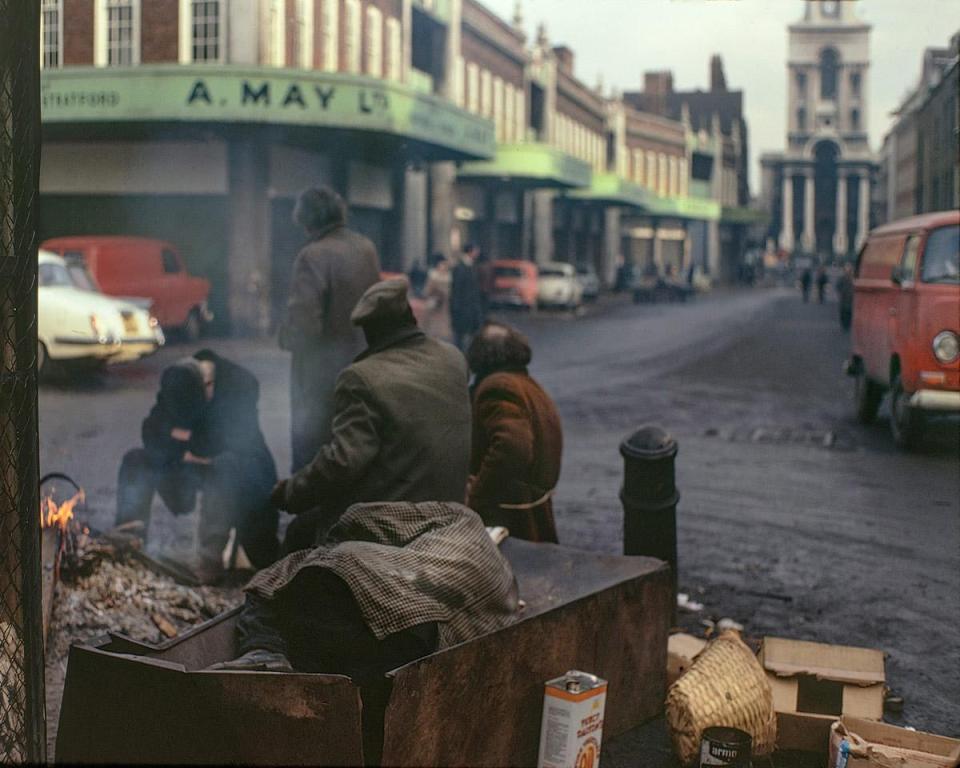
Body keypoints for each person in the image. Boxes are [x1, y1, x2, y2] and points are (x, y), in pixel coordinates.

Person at [210, 501, 519, 690]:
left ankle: (264, 652)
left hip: (368, 600)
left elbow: (360, 517)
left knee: (272, 579)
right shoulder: (506, 592)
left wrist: (326, 547)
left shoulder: (460, 515)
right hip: (421, 645)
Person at [274, 278, 472, 552]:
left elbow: (342, 462)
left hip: (394, 521)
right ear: (410, 317)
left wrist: (291, 492)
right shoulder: (454, 359)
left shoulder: (362, 377)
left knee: (300, 533)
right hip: (450, 509)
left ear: (369, 332)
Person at [116, 350, 279, 583]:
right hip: (188, 464)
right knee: (136, 460)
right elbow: (151, 431)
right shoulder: (178, 382)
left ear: (208, 384)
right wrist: (191, 445)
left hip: (242, 472)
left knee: (224, 465)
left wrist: (182, 437)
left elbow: (232, 442)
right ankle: (128, 542)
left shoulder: (242, 384)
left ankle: (209, 558)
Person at [279, 186, 381, 473]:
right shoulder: (365, 248)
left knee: (313, 452)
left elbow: (305, 326)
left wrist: (285, 335)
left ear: (306, 219)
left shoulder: (312, 255)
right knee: (355, 447)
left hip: (320, 375)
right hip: (364, 365)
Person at [465, 322, 563, 543]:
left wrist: (478, 496)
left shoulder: (498, 387)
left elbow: (512, 446)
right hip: (530, 511)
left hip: (509, 518)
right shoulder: (527, 384)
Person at [449, 244, 484, 352]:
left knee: (471, 333)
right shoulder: (461, 267)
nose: (477, 253)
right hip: (463, 307)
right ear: (470, 251)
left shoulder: (471, 265)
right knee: (461, 335)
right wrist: (456, 307)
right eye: (476, 250)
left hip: (471, 306)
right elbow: (457, 288)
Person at [420, 253, 453, 342]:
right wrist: (436, 294)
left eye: (445, 264)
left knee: (444, 329)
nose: (444, 266)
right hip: (434, 305)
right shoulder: (433, 275)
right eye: (442, 264)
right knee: (433, 328)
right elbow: (426, 291)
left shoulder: (449, 276)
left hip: (445, 306)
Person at [836, 262, 854, 330]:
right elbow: (838, 286)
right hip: (844, 298)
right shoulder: (842, 278)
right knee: (843, 312)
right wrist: (840, 292)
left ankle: (848, 325)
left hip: (850, 298)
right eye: (846, 269)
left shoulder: (853, 278)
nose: (848, 270)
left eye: (849, 269)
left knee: (849, 312)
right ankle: (844, 325)